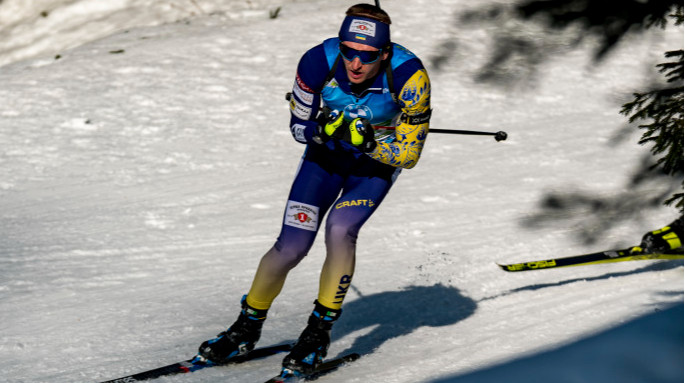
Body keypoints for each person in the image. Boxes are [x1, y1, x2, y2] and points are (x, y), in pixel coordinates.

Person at [196, 3, 431, 377]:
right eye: (348, 51)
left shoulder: (409, 77)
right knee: (291, 245)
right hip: (324, 161)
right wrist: (320, 131)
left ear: (384, 53)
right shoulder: (317, 61)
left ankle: (317, 332)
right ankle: (246, 325)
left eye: (366, 56)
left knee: (341, 230)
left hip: (373, 168)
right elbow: (297, 127)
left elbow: (408, 154)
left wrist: (369, 144)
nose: (355, 64)